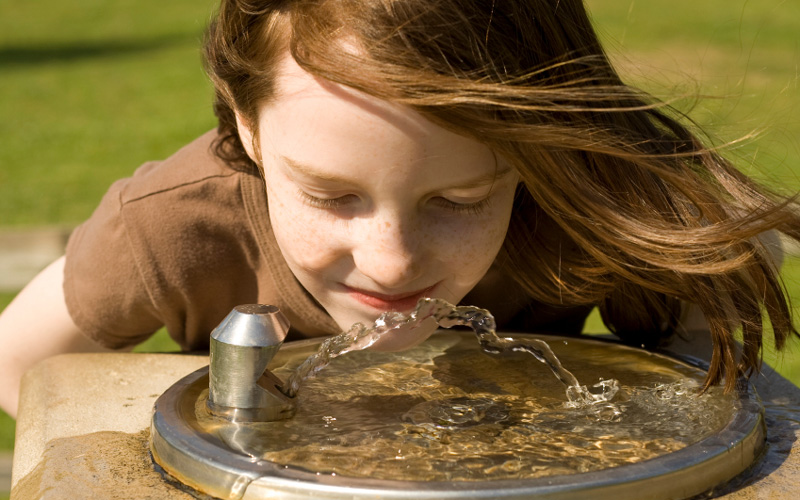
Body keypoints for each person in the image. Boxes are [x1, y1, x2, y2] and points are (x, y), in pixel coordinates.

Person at [1, 0, 798, 419]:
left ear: (535, 157)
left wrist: (677, 385)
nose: (392, 260)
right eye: (331, 195)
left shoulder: (576, 204)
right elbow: (15, 366)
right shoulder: (171, 229)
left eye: (459, 200)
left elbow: (727, 251)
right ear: (246, 125)